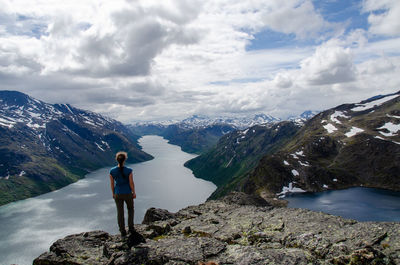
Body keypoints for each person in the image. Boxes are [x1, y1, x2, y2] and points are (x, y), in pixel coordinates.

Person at [109, 151, 136, 237]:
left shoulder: (112, 171)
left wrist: (113, 193)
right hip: (128, 193)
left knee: (120, 212)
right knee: (130, 209)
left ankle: (122, 231)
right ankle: (131, 228)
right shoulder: (129, 170)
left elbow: (112, 184)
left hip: (118, 194)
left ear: (117, 160)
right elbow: (131, 183)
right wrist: (134, 192)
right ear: (125, 160)